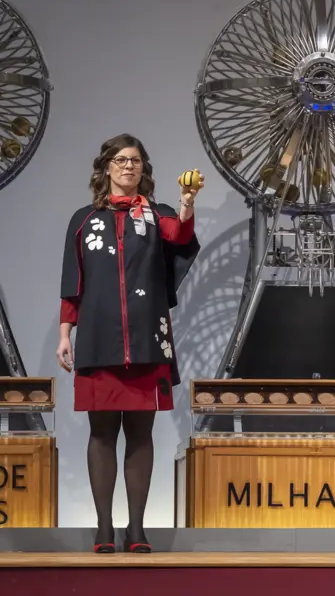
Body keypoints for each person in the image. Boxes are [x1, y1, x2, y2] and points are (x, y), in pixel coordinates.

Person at [57, 134, 202, 553]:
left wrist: (188, 201)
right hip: (98, 340)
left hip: (146, 341)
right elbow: (73, 281)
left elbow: (181, 236)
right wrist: (66, 334)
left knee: (141, 434)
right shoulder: (84, 219)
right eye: (120, 160)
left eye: (135, 160)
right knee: (101, 434)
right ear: (106, 167)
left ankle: (136, 529)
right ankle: (104, 528)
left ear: (143, 168)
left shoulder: (159, 215)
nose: (128, 166)